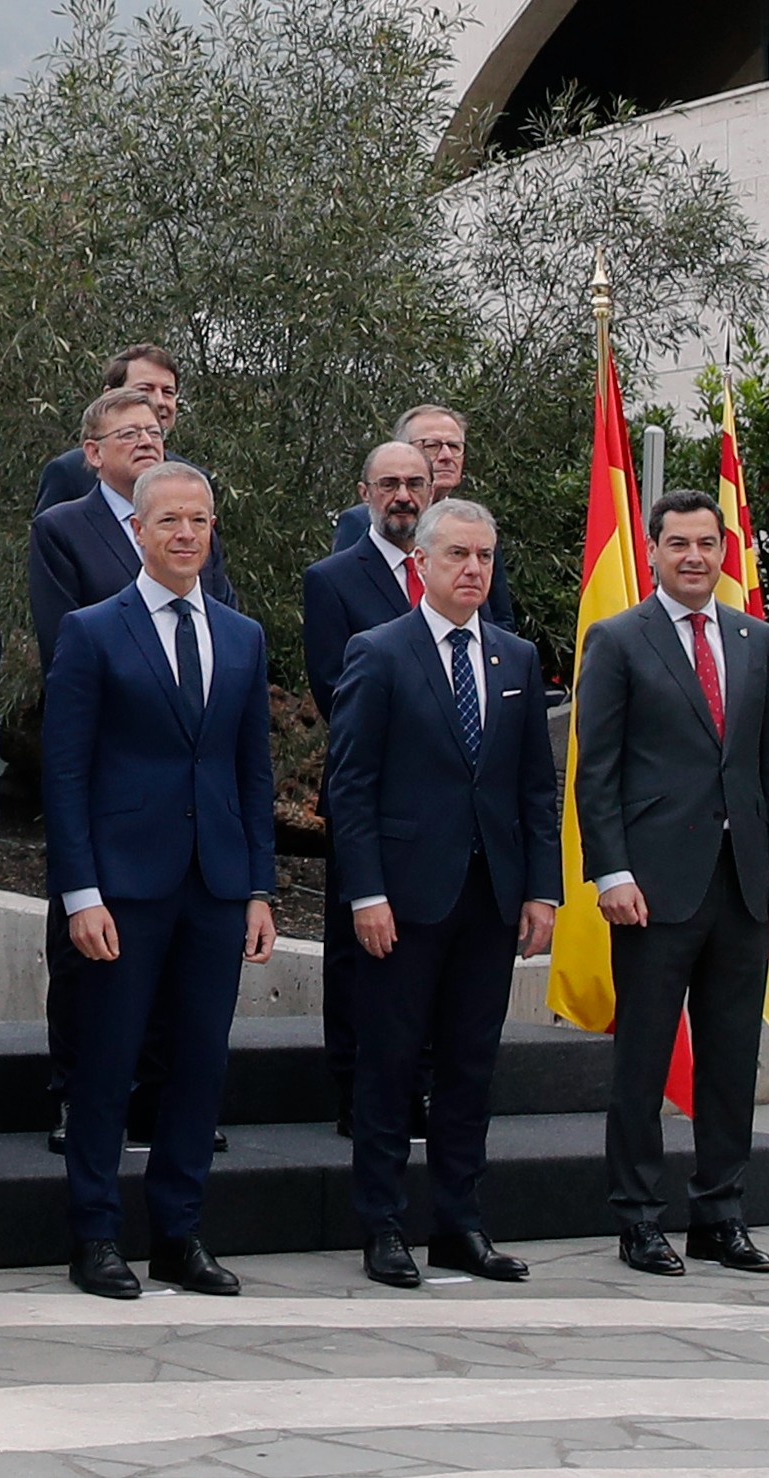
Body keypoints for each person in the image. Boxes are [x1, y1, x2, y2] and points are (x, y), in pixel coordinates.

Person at [42, 461, 276, 1301]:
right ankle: (97, 1236)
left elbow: (253, 774)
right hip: (123, 890)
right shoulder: (92, 630)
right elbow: (63, 774)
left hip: (214, 887)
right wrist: (80, 894)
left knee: (198, 1067)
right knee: (106, 1066)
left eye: (201, 520)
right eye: (170, 520)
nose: (186, 534)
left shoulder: (241, 637)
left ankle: (180, 1233)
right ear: (137, 531)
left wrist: (259, 888)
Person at [326, 497, 557, 1288]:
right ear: (420, 562)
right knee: (389, 1069)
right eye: (458, 555)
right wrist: (365, 894)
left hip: (490, 897)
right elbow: (350, 787)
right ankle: (383, 1225)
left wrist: (542, 892)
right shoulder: (379, 651)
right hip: (404, 898)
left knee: (470, 1068)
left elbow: (534, 787)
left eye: (485, 557)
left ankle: (461, 1223)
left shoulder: (515, 659)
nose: (473, 570)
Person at [577, 489, 769, 1278]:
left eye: (708, 544)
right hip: (651, 889)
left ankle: (721, 1212)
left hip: (742, 885)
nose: (696, 558)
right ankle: (639, 1218)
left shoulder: (756, 640)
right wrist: (610, 871)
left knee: (733, 1057)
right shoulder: (618, 640)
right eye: (679, 544)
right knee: (642, 1058)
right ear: (655, 551)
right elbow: (595, 771)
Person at [24, 387, 237, 1155]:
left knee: (181, 1006)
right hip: (116, 789)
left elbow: (223, 622)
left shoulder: (197, 535)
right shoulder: (64, 532)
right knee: (96, 982)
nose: (149, 440)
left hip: (196, 821)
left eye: (156, 429)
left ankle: (169, 1116)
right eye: (129, 431)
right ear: (92, 452)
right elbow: (64, 651)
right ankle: (77, 1101)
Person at [302, 440, 436, 1137]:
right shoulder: (332, 580)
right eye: (390, 484)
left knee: (433, 943)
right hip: (371, 790)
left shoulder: (461, 568)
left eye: (416, 482)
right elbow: (334, 691)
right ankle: (356, 1091)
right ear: (365, 493)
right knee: (358, 949)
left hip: (449, 801)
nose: (404, 496)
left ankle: (422, 1085)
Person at [331, 405, 516, 631]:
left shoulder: (475, 525)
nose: (446, 456)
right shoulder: (361, 523)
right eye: (432, 446)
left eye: (454, 446)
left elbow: (499, 617)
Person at [32, 344, 187, 515]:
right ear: (109, 395)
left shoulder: (193, 479)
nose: (159, 401)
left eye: (168, 392)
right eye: (144, 390)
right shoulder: (69, 473)